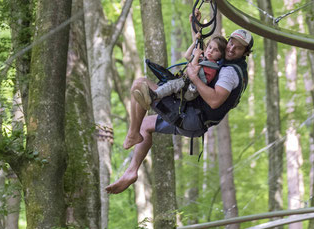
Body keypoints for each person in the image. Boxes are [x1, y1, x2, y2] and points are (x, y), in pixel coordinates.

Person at [108, 29, 253, 194]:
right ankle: (131, 171)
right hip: (194, 119)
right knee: (146, 124)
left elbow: (214, 101)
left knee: (140, 84)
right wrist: (195, 30)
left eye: (239, 47)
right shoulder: (229, 64)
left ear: (245, 53)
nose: (232, 48)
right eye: (232, 42)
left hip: (191, 118)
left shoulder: (229, 72)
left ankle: (132, 133)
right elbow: (203, 52)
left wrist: (194, 77)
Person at [141, 34, 227, 106]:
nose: (210, 51)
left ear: (220, 55)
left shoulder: (212, 67)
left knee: (171, 85)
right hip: (186, 84)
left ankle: (154, 95)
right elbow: (187, 56)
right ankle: (149, 97)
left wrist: (196, 56)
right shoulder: (204, 59)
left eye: (216, 50)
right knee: (170, 83)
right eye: (210, 47)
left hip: (190, 90)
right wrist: (194, 43)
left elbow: (191, 70)